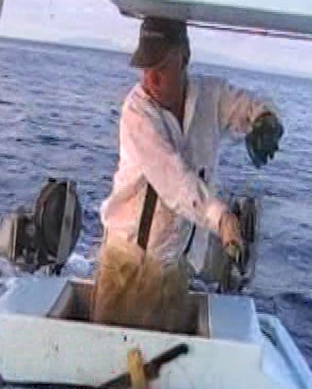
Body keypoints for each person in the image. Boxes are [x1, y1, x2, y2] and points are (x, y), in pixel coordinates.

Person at [90, 17, 284, 333]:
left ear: (184, 58)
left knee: (161, 368)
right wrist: (221, 218)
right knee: (111, 359)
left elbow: (251, 105)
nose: (150, 79)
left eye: (162, 67)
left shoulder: (211, 96)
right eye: (145, 67)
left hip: (176, 264)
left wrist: (266, 121)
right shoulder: (137, 112)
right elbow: (175, 182)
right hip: (127, 262)